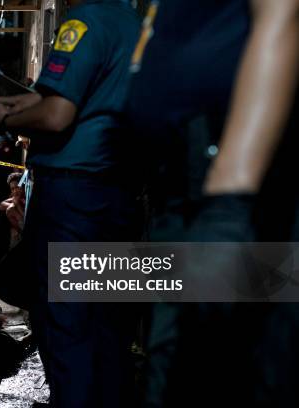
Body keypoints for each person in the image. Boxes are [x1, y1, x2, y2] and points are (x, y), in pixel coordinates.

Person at [124, 0, 299, 406]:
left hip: (233, 187)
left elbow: (281, 14)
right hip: (183, 191)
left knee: (222, 372)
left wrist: (229, 202)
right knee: (177, 368)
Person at [0, 1, 141, 406]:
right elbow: (54, 96)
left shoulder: (83, 22)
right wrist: (20, 103)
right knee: (106, 332)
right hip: (116, 195)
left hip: (72, 201)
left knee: (66, 330)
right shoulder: (135, 24)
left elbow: (55, 114)